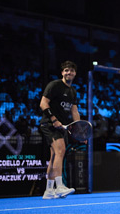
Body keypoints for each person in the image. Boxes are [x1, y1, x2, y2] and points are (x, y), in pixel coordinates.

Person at [40, 61, 80, 199]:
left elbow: (74, 111)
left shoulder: (73, 91)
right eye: (66, 70)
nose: (69, 73)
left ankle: (49, 190)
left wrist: (79, 129)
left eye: (72, 71)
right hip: (49, 124)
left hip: (61, 126)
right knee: (60, 151)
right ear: (62, 72)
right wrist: (53, 119)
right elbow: (43, 103)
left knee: (54, 156)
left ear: (75, 73)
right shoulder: (55, 85)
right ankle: (60, 186)